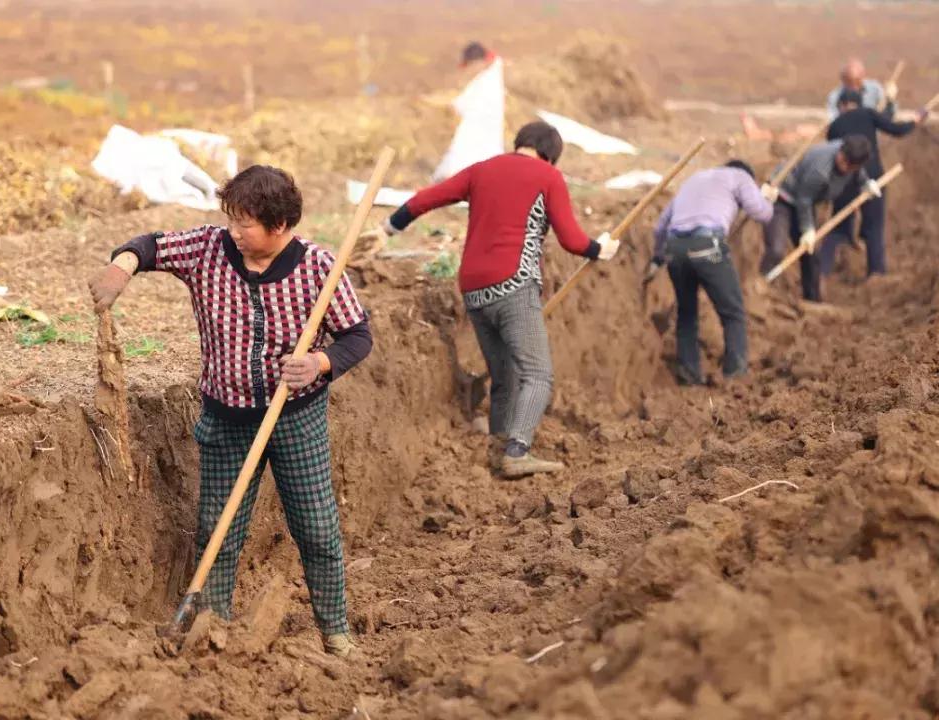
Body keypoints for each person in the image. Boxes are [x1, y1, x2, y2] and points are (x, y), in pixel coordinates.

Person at [87, 165, 372, 658]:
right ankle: (211, 626)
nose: (234, 232)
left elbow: (358, 337)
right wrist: (122, 267)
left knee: (317, 528)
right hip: (227, 419)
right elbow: (150, 245)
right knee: (218, 529)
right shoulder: (209, 249)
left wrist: (320, 362)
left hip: (294, 419)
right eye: (231, 220)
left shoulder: (319, 268)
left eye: (245, 224)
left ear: (279, 225)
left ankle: (335, 629)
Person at [364, 121, 619, 479]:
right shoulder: (548, 176)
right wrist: (600, 249)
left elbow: (426, 198)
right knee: (537, 374)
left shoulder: (481, 169)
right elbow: (572, 241)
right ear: (551, 156)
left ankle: (500, 439)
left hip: (472, 288)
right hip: (514, 284)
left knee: (504, 375)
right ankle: (517, 451)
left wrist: (386, 229)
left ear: (519, 143)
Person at [645, 161, 776, 385]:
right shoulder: (740, 176)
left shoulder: (695, 178)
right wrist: (767, 198)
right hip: (707, 245)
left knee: (687, 313)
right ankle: (735, 375)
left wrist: (657, 258)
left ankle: (689, 373)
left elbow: (660, 226)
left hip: (675, 248)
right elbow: (761, 213)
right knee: (733, 312)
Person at [822, 89, 927, 278]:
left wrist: (888, 104)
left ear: (842, 105)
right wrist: (915, 120)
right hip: (873, 178)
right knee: (874, 228)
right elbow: (895, 128)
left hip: (844, 180)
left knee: (838, 228)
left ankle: (821, 271)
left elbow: (833, 155)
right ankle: (876, 274)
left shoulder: (833, 126)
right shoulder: (868, 114)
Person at [761, 135, 875, 302]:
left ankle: (812, 300)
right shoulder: (821, 170)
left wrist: (866, 183)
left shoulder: (852, 161)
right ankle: (761, 290)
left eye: (848, 164)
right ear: (841, 150)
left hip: (805, 200)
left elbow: (858, 172)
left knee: (812, 255)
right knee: (777, 249)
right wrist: (807, 229)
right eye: (842, 158)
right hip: (783, 197)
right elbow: (804, 200)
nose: (841, 162)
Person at [431, 41, 505, 182]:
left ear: (476, 62)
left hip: (480, 140)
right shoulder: (487, 77)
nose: (469, 71)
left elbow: (463, 106)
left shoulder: (489, 82)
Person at [825, 58, 897, 120]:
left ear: (863, 77)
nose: (854, 87)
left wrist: (890, 100)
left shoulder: (875, 89)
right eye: (850, 83)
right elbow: (834, 122)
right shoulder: (835, 97)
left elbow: (887, 117)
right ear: (843, 80)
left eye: (857, 82)